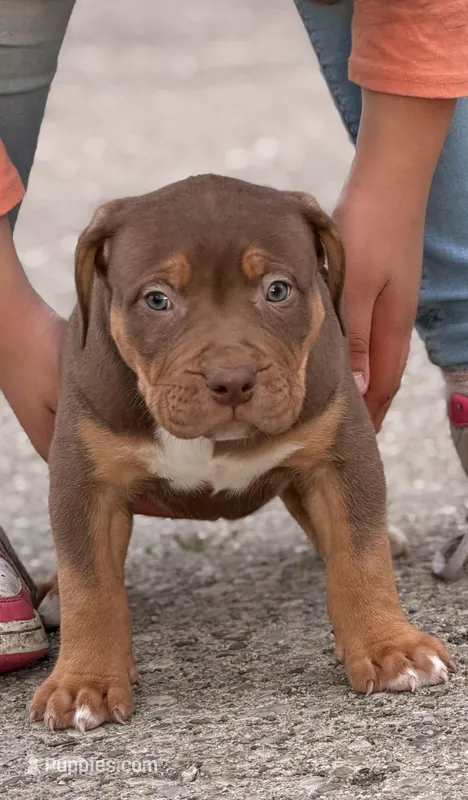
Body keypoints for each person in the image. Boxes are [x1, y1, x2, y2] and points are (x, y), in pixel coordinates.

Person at [0, 0, 467, 672]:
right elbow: (85, 489)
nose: (229, 369)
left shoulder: (313, 367)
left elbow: (345, 463)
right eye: (158, 299)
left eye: (277, 290)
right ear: (96, 284)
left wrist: (396, 189)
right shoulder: (97, 376)